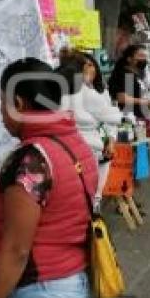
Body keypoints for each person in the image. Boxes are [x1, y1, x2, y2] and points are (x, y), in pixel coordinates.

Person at [0, 58, 98, 298]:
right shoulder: (73, 141)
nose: (1, 113)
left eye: (2, 102)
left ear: (17, 101)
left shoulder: (30, 160)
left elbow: (16, 249)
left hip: (41, 294)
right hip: (72, 281)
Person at [58, 51, 122, 211]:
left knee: (91, 194)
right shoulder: (74, 92)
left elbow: (111, 122)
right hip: (80, 150)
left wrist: (111, 140)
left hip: (96, 149)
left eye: (92, 65)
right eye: (86, 65)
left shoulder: (100, 92)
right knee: (84, 195)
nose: (90, 69)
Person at [107, 44, 150, 123]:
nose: (144, 59)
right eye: (140, 56)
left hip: (137, 118)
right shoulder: (125, 74)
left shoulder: (135, 74)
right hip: (129, 120)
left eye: (145, 56)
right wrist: (145, 101)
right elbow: (122, 98)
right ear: (129, 59)